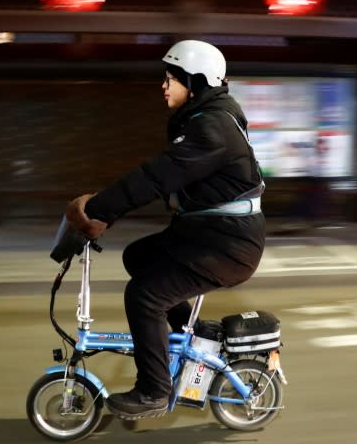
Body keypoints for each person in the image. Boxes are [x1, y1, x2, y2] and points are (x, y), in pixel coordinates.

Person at [65, 39, 266, 420]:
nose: (164, 85)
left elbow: (155, 177)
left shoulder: (212, 129)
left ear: (197, 82)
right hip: (206, 233)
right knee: (138, 257)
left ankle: (154, 389)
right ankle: (192, 331)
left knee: (144, 295)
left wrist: (97, 210)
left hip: (228, 245)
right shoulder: (205, 119)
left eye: (172, 78)